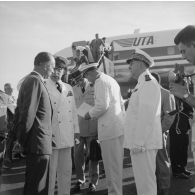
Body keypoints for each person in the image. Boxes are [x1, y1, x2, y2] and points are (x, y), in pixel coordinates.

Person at [13, 52, 55, 195]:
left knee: (35, 186)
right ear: (44, 65)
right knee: (36, 188)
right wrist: (22, 140)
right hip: (37, 144)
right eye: (52, 66)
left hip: (38, 143)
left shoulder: (32, 80)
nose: (53, 70)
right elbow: (27, 114)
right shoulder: (34, 81)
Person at [81, 63, 125, 195]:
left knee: (111, 168)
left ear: (90, 73)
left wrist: (88, 114)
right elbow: (121, 103)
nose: (88, 80)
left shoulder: (100, 82)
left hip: (109, 129)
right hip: (117, 127)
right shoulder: (110, 79)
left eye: (87, 76)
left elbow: (102, 106)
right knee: (116, 166)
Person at [125, 49, 162, 195]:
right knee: (143, 184)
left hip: (143, 144)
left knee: (146, 184)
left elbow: (147, 116)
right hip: (141, 143)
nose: (129, 67)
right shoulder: (142, 83)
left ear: (140, 63)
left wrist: (138, 142)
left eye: (132, 63)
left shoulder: (148, 83)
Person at [45, 56, 79, 195]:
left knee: (66, 172)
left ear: (64, 71)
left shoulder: (68, 87)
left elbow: (74, 112)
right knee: (51, 175)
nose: (56, 72)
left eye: (60, 69)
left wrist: (76, 132)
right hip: (51, 136)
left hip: (67, 135)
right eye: (54, 68)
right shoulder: (43, 85)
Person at [168, 25, 195, 193]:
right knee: (180, 146)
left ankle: (179, 168)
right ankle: (179, 168)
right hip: (182, 118)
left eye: (184, 51)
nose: (183, 57)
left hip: (184, 117)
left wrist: (184, 95)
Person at [72, 72, 100, 192]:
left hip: (92, 126)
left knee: (93, 154)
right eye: (77, 80)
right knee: (77, 155)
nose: (80, 82)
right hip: (78, 129)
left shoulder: (95, 86)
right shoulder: (73, 89)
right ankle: (80, 179)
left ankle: (93, 182)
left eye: (81, 79)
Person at [151, 72, 176, 195]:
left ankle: (164, 188)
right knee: (150, 163)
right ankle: (154, 187)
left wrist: (160, 130)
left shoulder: (166, 94)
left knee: (162, 161)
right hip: (146, 134)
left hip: (159, 133)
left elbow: (170, 116)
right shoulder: (145, 94)